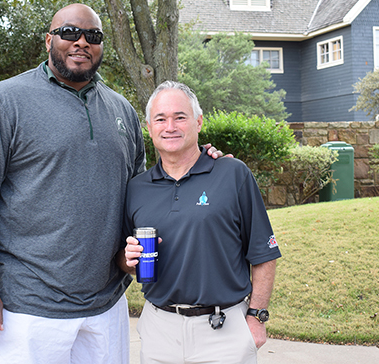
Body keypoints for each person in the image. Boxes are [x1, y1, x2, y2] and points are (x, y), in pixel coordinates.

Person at [0, 4, 221, 364]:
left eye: (92, 36)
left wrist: (201, 164)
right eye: (69, 33)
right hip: (29, 306)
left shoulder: (121, 109)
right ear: (49, 40)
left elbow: (143, 194)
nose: (81, 42)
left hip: (106, 306)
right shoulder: (6, 101)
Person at [120, 81, 281, 364]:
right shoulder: (136, 188)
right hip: (160, 330)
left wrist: (257, 316)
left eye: (180, 117)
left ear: (198, 121)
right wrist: (128, 260)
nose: (170, 126)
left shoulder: (232, 174)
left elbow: (263, 253)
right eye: (160, 119)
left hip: (223, 330)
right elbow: (123, 262)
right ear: (149, 127)